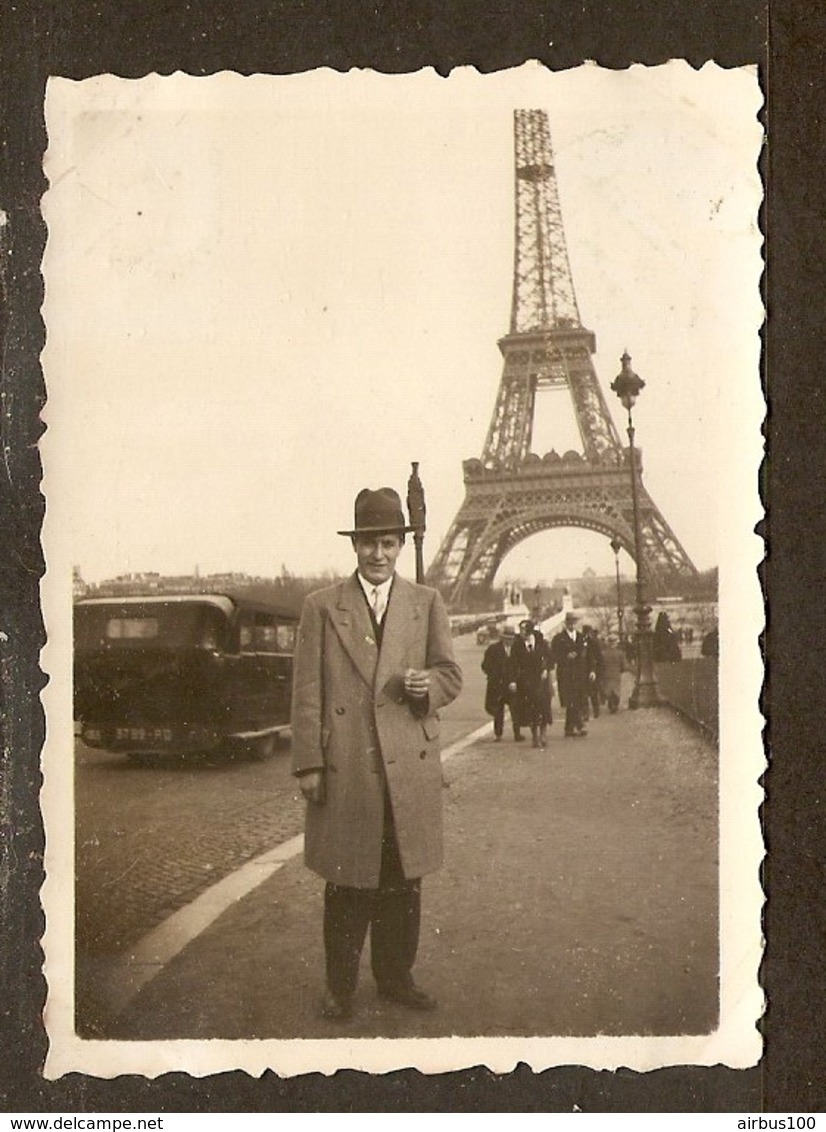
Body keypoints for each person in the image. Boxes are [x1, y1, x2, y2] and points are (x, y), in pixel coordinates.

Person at [291, 487, 462, 1022]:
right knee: (347, 883)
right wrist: (310, 765)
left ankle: (396, 978)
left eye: (388, 543)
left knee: (402, 883)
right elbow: (306, 693)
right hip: (348, 767)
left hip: (406, 766)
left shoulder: (426, 601)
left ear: (398, 543)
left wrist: (424, 687)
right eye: (370, 543)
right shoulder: (321, 607)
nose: (379, 554)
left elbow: (451, 676)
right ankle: (339, 985)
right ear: (356, 546)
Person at [550, 610, 597, 738]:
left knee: (577, 700)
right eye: (569, 622)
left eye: (574, 622)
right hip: (566, 675)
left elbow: (590, 656)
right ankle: (580, 725)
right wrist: (566, 657)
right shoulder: (558, 639)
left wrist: (592, 670)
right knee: (572, 700)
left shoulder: (582, 638)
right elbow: (553, 656)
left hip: (581, 674)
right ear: (566, 623)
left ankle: (569, 729)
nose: (572, 625)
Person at [513, 618, 553, 748]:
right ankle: (534, 736)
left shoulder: (541, 643)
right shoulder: (517, 645)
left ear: (529, 630)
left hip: (541, 680)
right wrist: (514, 680)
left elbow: (550, 658)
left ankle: (543, 734)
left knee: (543, 708)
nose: (521, 633)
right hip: (526, 682)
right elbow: (513, 664)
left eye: (523, 630)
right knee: (530, 709)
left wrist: (546, 669)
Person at [481, 623, 519, 741]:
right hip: (497, 685)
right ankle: (498, 734)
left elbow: (521, 667)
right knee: (498, 711)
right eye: (507, 639)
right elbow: (485, 665)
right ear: (502, 638)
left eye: (511, 639)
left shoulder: (517, 649)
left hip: (512, 686)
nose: (509, 641)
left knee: (516, 710)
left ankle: (517, 734)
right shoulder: (493, 649)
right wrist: (494, 676)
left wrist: (515, 681)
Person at [581, 625, 604, 718]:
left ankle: (595, 711)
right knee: (585, 693)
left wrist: (596, 670)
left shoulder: (594, 642)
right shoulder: (582, 641)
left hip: (592, 670)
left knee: (592, 692)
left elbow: (599, 658)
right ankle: (587, 712)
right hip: (584, 670)